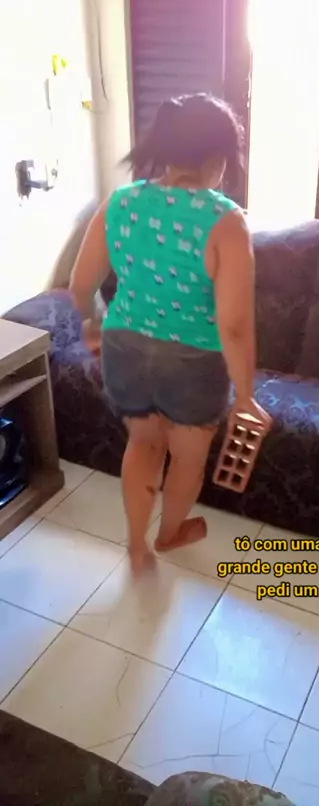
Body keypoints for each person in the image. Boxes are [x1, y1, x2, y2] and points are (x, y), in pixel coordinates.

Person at [68, 93, 271, 575]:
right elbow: (234, 326)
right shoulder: (226, 221)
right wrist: (246, 396)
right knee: (186, 459)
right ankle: (170, 533)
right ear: (218, 160)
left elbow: (80, 285)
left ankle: (137, 546)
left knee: (142, 445)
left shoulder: (120, 203)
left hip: (123, 347)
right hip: (193, 362)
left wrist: (94, 324)